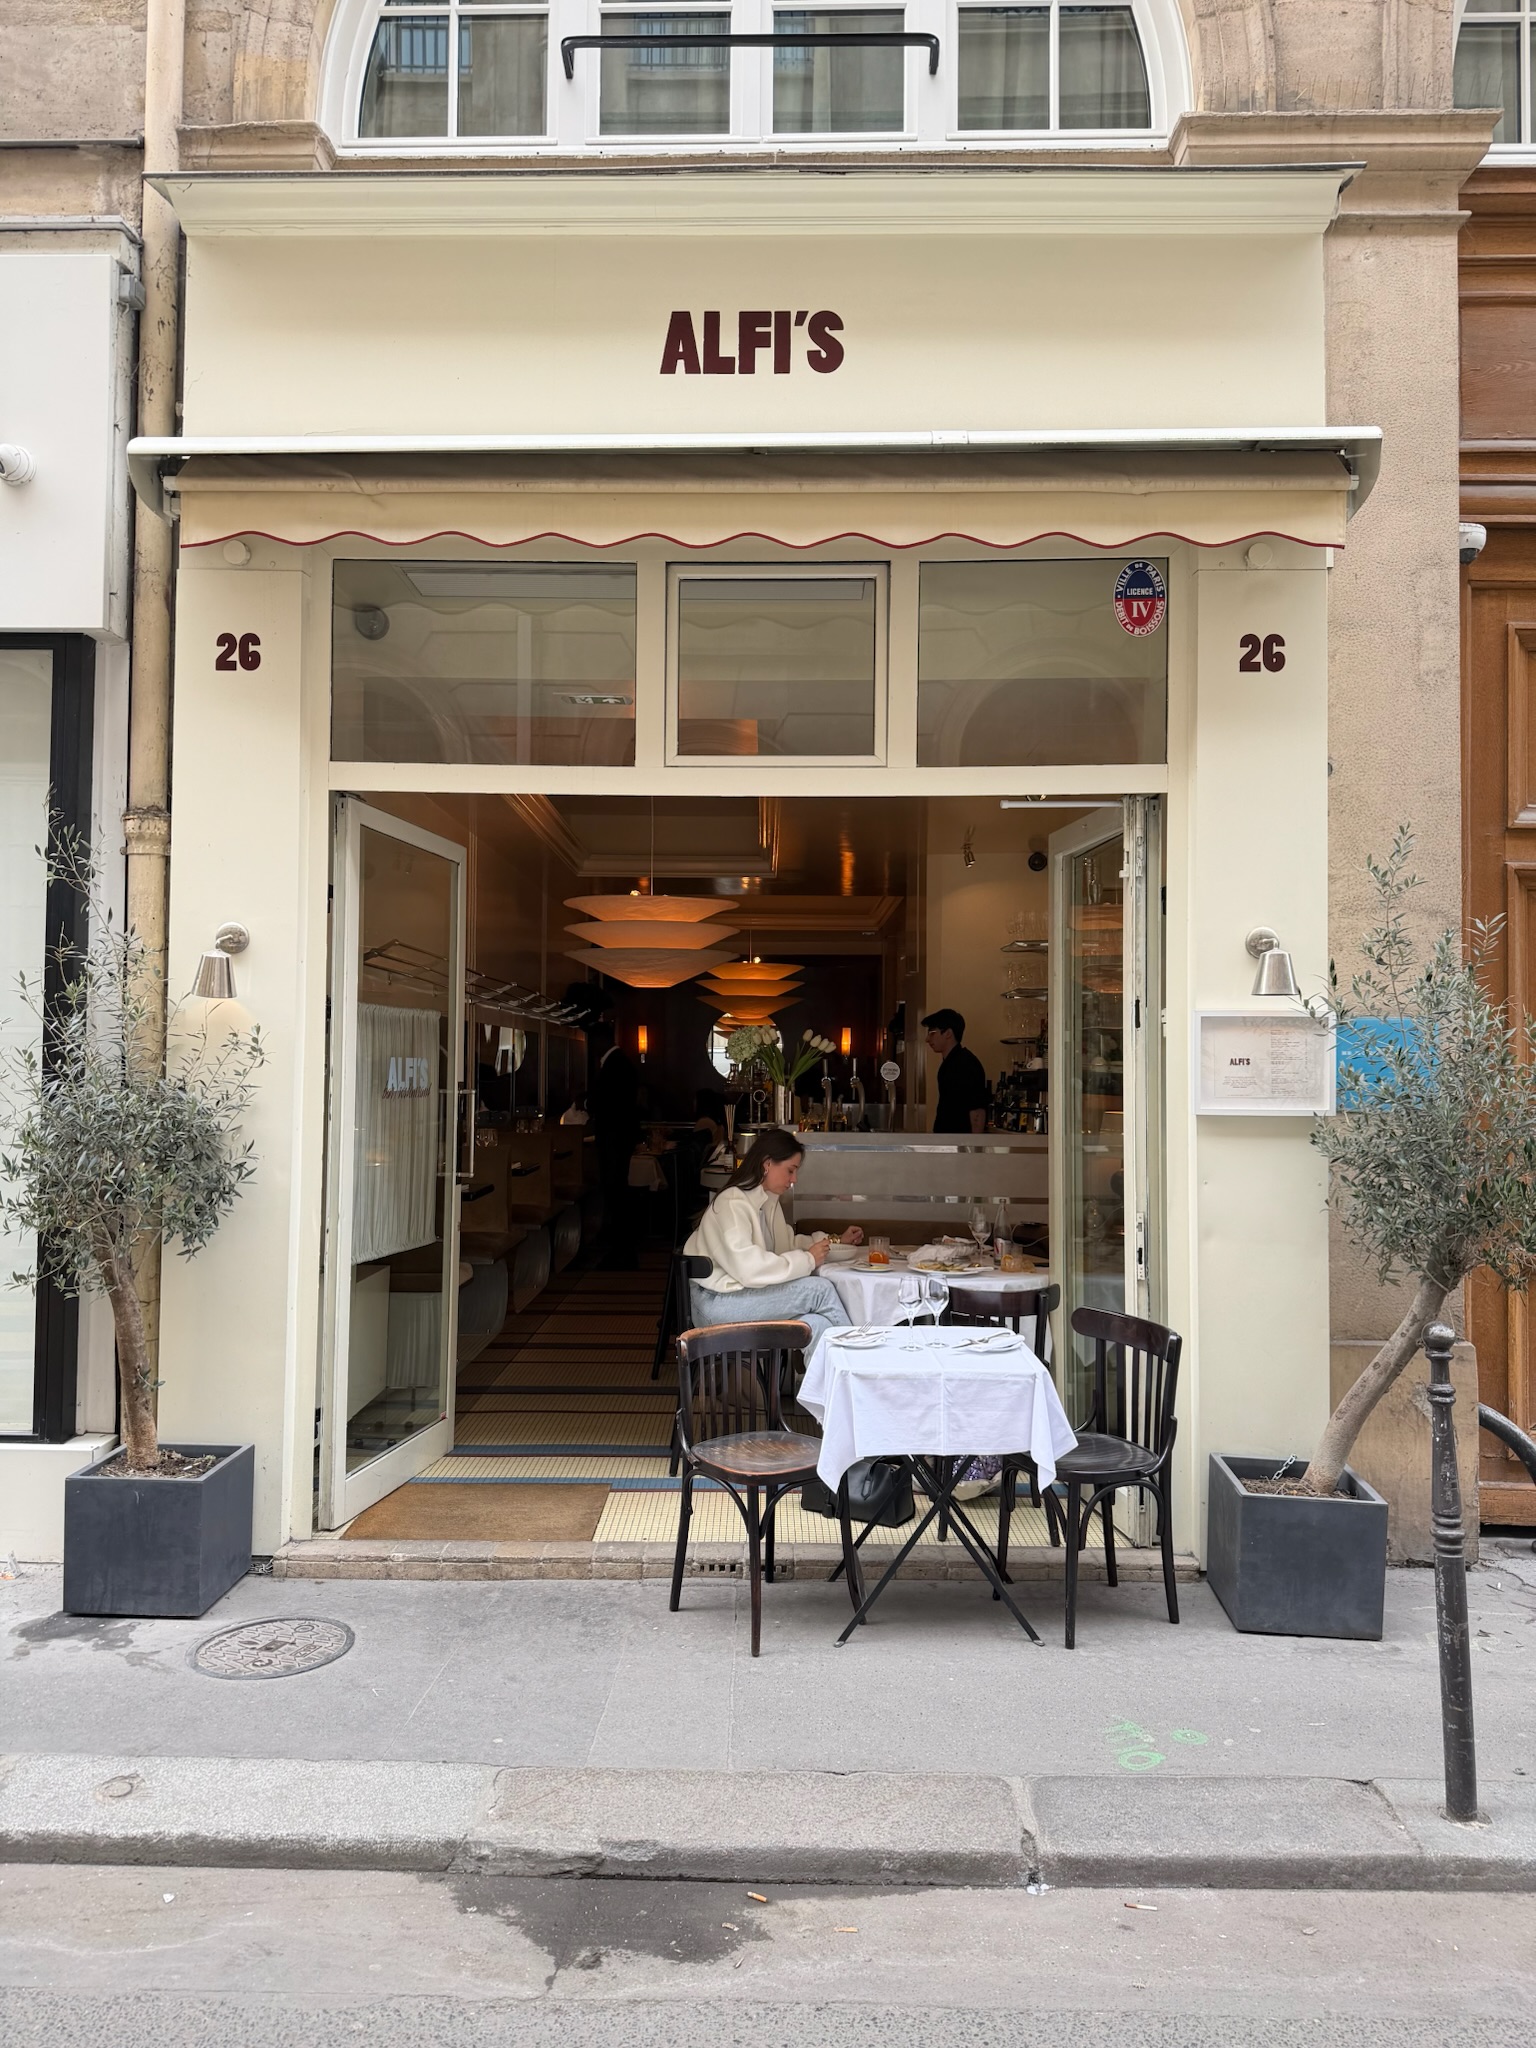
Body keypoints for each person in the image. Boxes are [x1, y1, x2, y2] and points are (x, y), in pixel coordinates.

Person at [685, 1128, 863, 1344]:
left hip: (740, 1296)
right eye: (790, 1170)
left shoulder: (767, 1201)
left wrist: (835, 1240)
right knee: (819, 1290)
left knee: (816, 1325)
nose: (794, 1179)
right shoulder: (732, 1203)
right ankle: (860, 1357)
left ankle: (838, 1365)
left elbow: (788, 1245)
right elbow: (749, 1270)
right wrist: (808, 1260)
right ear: (767, 1164)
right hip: (715, 1303)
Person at [588, 1025, 642, 1269]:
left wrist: (589, 1104)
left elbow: (611, 1105)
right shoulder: (619, 1062)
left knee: (616, 1193)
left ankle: (622, 1251)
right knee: (616, 1193)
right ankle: (621, 1249)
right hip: (618, 1139)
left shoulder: (616, 1065)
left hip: (615, 1140)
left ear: (601, 1041)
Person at [923, 1008, 989, 1134]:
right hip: (948, 1139)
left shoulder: (966, 1064)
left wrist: (973, 1144)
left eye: (932, 1033)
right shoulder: (949, 1064)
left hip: (960, 1140)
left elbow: (977, 1111)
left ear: (948, 1033)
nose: (927, 1039)